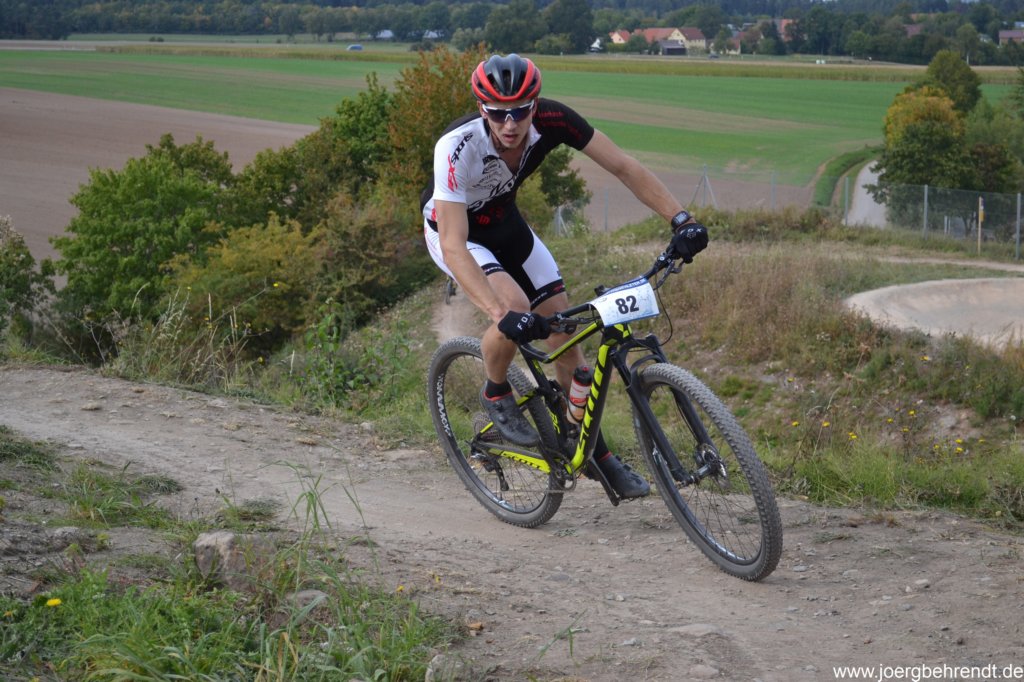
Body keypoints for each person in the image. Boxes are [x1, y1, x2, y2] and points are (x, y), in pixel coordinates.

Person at [422, 54, 708, 499]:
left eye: (520, 111)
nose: (510, 123)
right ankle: (495, 392)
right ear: (482, 108)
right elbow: (455, 244)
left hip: (505, 224)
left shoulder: (554, 120)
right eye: (497, 113)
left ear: (534, 105)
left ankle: (594, 453)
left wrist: (681, 218)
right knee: (515, 309)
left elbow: (623, 165)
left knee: (563, 330)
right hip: (453, 231)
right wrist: (500, 312)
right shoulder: (457, 147)